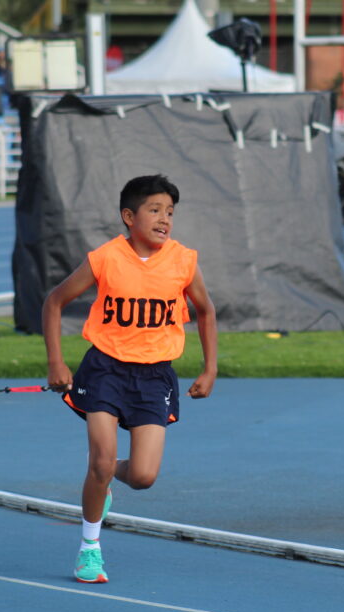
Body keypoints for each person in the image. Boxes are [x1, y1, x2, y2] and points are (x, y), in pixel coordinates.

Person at [42, 174, 218, 584]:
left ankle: (104, 477)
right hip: (105, 369)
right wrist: (56, 362)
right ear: (129, 216)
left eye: (170, 212)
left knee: (142, 476)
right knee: (100, 459)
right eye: (154, 210)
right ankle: (89, 549)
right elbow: (55, 301)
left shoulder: (183, 260)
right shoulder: (105, 258)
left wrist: (210, 368)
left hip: (155, 376)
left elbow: (206, 311)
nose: (164, 219)